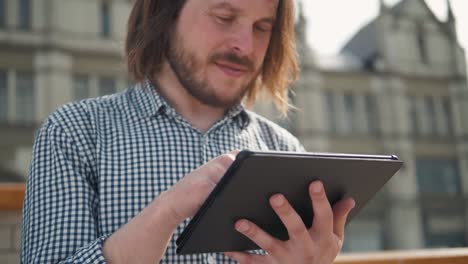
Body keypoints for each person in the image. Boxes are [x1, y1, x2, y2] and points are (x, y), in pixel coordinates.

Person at [20, 0, 355, 263]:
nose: (245, 45)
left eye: (262, 27)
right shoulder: (74, 132)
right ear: (165, 16)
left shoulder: (287, 150)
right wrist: (167, 211)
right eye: (224, 17)